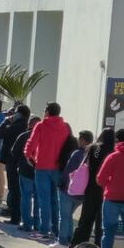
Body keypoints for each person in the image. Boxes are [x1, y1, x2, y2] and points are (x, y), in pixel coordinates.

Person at [24, 102, 70, 240]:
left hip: (42, 166)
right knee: (54, 199)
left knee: (44, 199)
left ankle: (44, 230)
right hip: (57, 167)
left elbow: (31, 142)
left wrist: (28, 155)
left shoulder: (41, 125)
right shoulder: (64, 127)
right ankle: (55, 229)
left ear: (48, 112)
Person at [69, 128, 114, 248]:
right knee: (101, 222)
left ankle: (76, 246)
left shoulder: (93, 148)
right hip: (104, 189)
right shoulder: (112, 151)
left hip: (90, 187)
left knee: (85, 220)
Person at [52, 130, 92, 248]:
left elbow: (68, 171)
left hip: (68, 189)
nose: (78, 140)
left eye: (80, 139)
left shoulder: (76, 153)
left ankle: (62, 241)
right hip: (82, 193)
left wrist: (60, 183)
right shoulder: (91, 154)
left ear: (83, 140)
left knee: (64, 216)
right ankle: (69, 239)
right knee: (69, 215)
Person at [0, 104, 29, 222]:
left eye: (15, 112)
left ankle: (15, 217)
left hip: (12, 160)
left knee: (14, 189)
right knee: (17, 189)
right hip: (20, 161)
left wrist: (5, 122)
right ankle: (16, 214)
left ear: (19, 114)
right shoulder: (25, 126)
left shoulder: (15, 126)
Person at [10, 116, 41, 231]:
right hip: (39, 171)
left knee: (26, 197)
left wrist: (21, 160)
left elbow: (14, 152)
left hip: (25, 170)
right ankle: (38, 224)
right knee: (39, 199)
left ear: (29, 125)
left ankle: (27, 223)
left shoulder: (24, 136)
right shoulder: (44, 136)